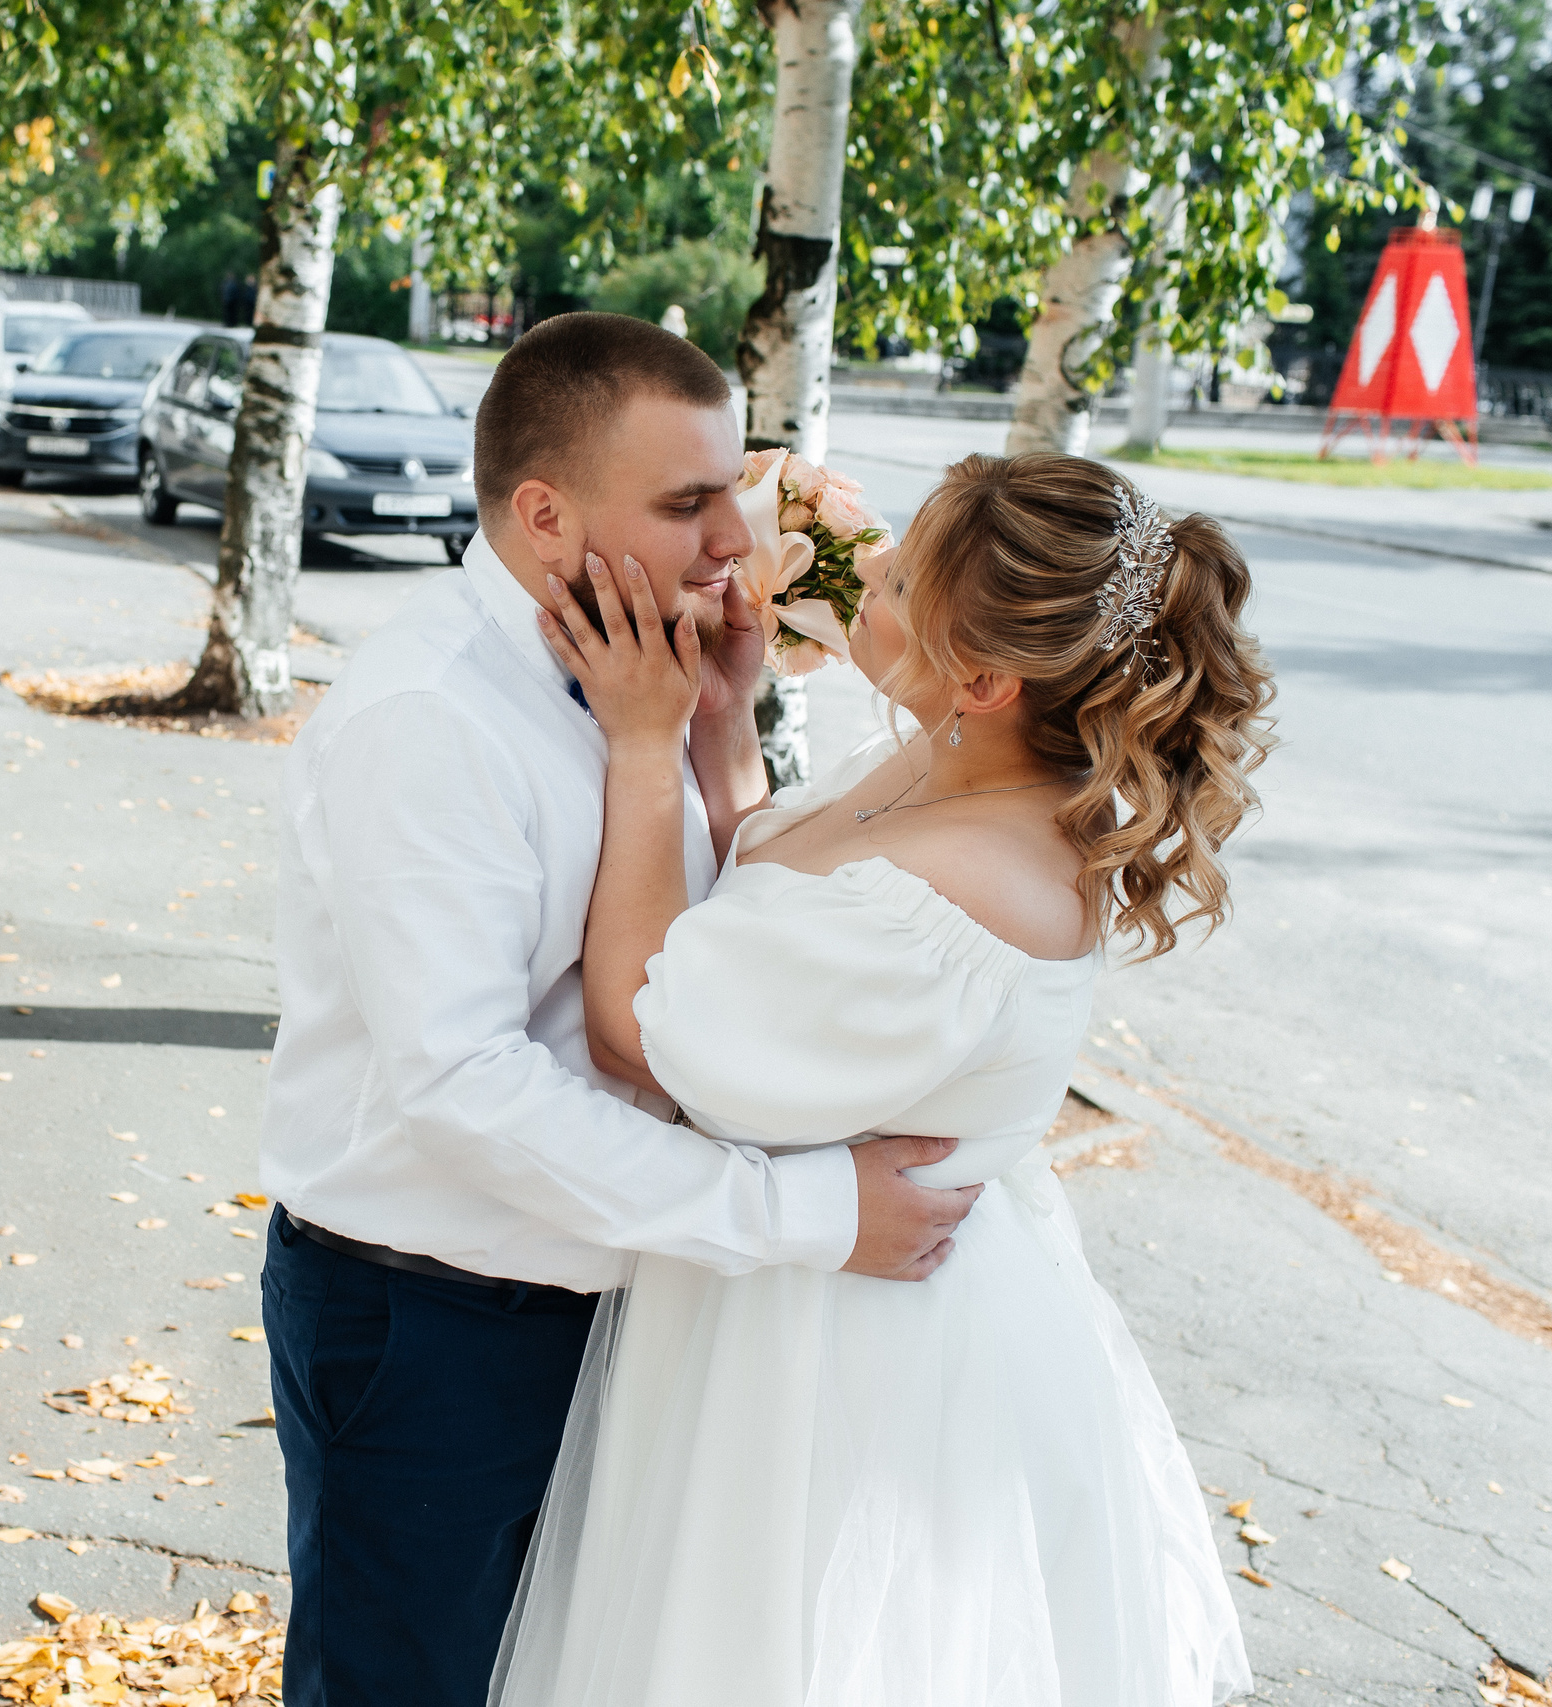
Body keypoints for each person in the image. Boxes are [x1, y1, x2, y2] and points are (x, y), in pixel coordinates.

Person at [257, 313, 987, 1707]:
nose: (738, 531)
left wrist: (721, 727)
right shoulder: (430, 719)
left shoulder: (649, 667)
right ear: (546, 515)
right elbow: (466, 1084)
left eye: (734, 484)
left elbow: (701, 972)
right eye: (688, 500)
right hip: (438, 1325)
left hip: (627, 1303)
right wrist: (808, 1214)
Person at [492, 452, 1273, 1704]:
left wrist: (640, 745)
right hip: (800, 1286)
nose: (866, 578)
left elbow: (649, 1023)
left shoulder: (971, 889)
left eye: (902, 577)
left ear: (983, 678)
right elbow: (776, 912)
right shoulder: (952, 766)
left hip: (849, 1359)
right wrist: (718, 720)